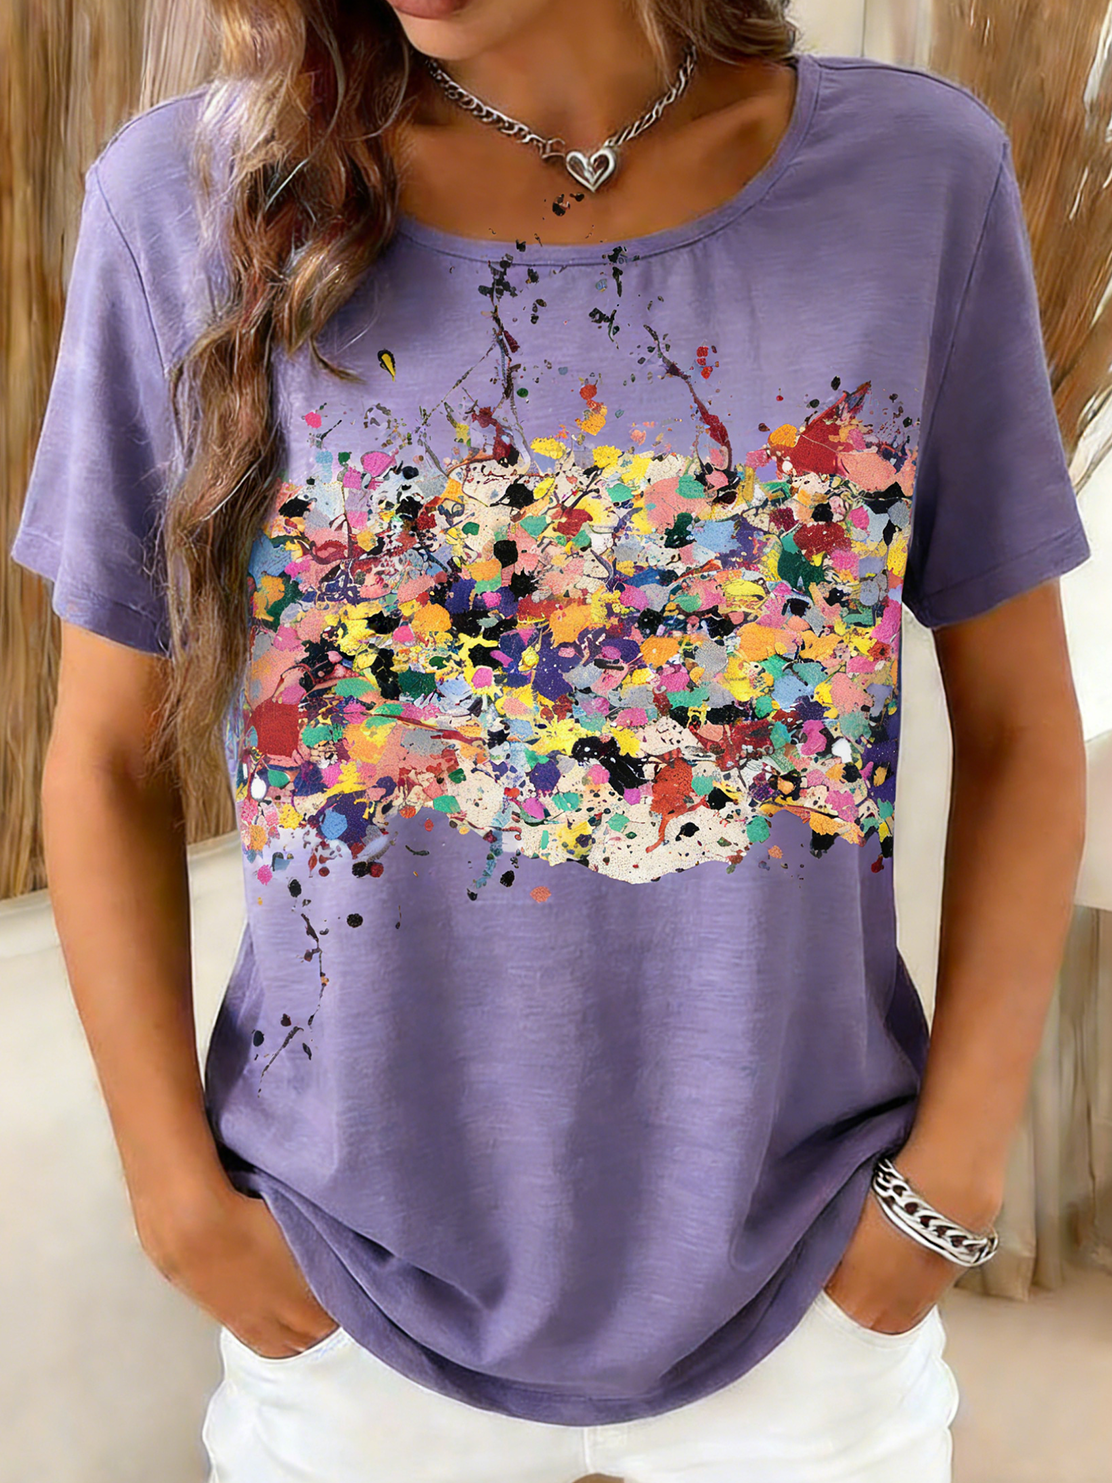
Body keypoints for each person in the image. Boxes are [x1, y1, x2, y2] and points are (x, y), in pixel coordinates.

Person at [9, 0, 1092, 1479]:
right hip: (342, 1282)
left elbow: (1023, 722)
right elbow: (105, 751)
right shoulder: (195, 198)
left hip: (808, 1272)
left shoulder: (913, 182)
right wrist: (177, 1202)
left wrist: (947, 1181)